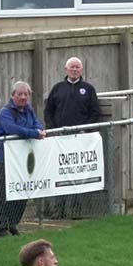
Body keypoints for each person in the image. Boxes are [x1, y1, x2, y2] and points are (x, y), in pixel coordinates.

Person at [43, 57, 102, 219]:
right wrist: (54, 129)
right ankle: (58, 211)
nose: (74, 70)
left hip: (80, 140)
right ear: (66, 69)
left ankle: (75, 211)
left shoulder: (88, 89)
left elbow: (95, 112)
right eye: (72, 67)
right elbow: (48, 111)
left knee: (77, 174)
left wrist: (85, 130)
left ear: (81, 70)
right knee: (60, 174)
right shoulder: (57, 89)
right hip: (60, 139)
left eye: (77, 67)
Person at [0, 81, 45, 238]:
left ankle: (11, 222)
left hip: (21, 158)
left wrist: (36, 131)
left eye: (25, 94)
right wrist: (33, 133)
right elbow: (12, 129)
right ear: (12, 95)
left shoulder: (29, 110)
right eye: (19, 94)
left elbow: (37, 125)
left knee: (20, 190)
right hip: (2, 158)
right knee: (0, 193)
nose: (23, 97)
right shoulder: (5, 112)